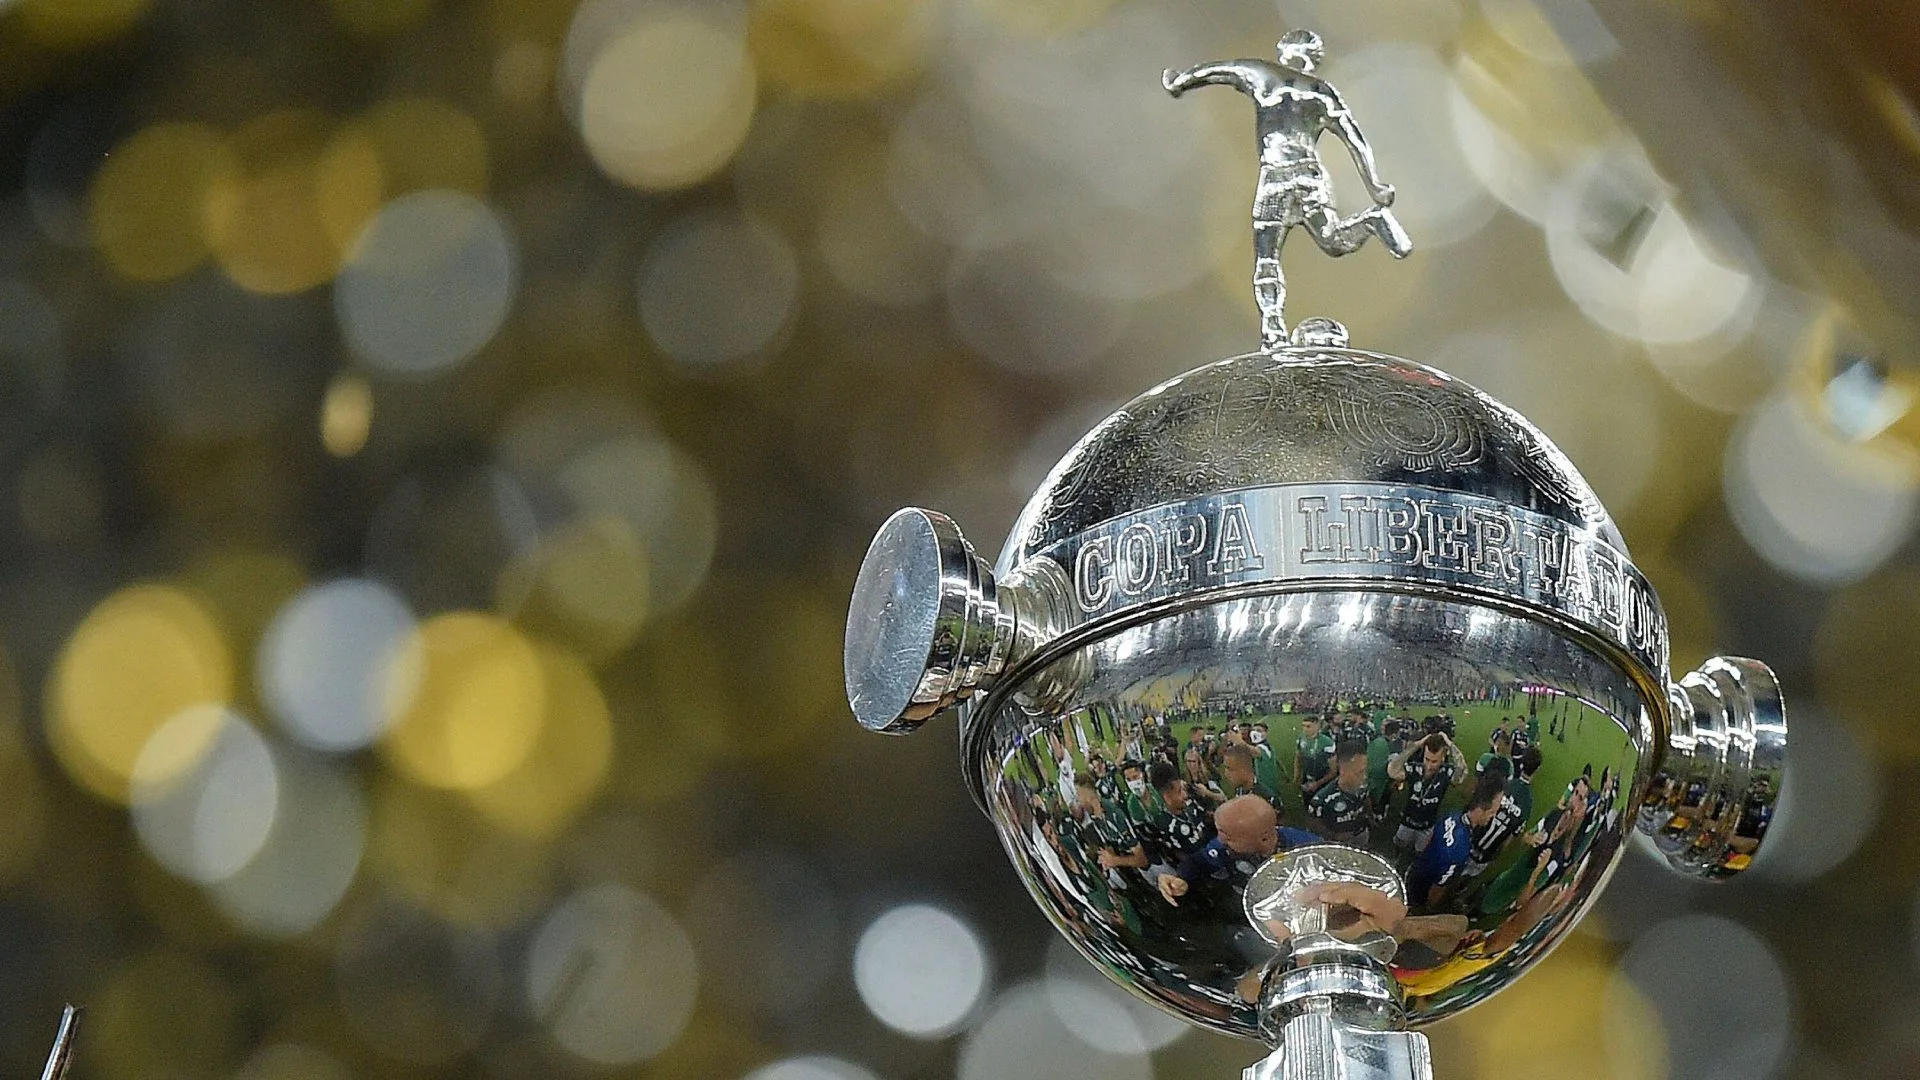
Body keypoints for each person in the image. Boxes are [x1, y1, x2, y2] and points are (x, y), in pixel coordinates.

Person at [1163, 29, 1411, 349]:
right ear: (1313, 59)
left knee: (1267, 256)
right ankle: (1372, 220)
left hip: (1276, 179)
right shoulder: (1322, 93)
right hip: (1309, 176)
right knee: (1333, 240)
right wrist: (1374, 186)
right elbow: (1355, 142)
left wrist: (1182, 81)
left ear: (1285, 51)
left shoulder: (1263, 74)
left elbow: (1220, 70)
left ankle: (1273, 330)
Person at [1157, 795, 1318, 907]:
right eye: (1220, 832)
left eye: (1230, 837)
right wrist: (1182, 878)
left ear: (1264, 839)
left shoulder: (1308, 849)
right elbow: (1199, 862)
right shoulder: (1224, 847)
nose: (1220, 841)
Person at [1406, 773, 1506, 909]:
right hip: (1421, 889)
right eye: (1492, 812)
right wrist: (1428, 908)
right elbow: (1438, 887)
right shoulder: (1460, 850)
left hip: (1416, 869)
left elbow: (1430, 840)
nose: (1493, 817)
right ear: (1481, 809)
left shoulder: (1453, 816)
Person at [1389, 732, 1467, 852]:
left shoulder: (1446, 773)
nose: (1429, 766)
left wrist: (1449, 744)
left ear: (1443, 757)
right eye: (1427, 759)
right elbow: (1392, 770)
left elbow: (1462, 772)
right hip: (1407, 822)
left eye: (1434, 761)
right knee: (1398, 846)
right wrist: (1417, 745)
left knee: (1420, 852)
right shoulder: (1415, 769)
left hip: (1427, 826)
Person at [1145, 761, 1216, 865]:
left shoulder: (1189, 802)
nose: (1185, 795)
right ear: (1166, 796)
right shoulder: (1165, 824)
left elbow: (1206, 816)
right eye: (1179, 791)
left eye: (1182, 789)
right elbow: (1179, 854)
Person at [1309, 737, 1373, 843]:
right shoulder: (1322, 800)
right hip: (1337, 844)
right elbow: (1314, 826)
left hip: (1361, 834)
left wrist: (1370, 816)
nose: (1364, 776)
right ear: (1342, 769)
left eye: (1365, 770)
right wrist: (1334, 836)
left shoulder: (1363, 786)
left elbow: (1366, 800)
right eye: (1359, 772)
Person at [1293, 714, 1336, 803]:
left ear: (1317, 726)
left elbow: (1333, 770)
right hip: (1307, 776)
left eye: (1308, 726)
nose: (1305, 729)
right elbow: (1298, 757)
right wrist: (1296, 776)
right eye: (1303, 726)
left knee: (1321, 805)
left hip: (1322, 779)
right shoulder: (1301, 738)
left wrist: (1317, 784)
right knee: (1307, 803)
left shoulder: (1327, 742)